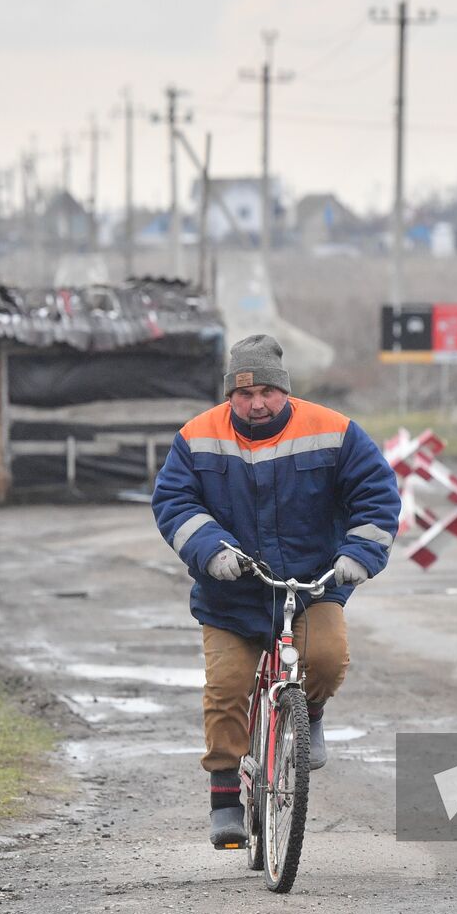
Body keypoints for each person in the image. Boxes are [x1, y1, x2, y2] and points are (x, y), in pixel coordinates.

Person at [151, 334, 400, 849]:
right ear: (229, 396)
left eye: (266, 391)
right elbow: (173, 501)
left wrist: (358, 555)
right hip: (231, 595)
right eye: (244, 394)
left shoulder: (334, 431)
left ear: (284, 390)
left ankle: (308, 715)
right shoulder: (197, 437)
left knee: (327, 658)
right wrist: (211, 549)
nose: (256, 403)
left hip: (312, 586)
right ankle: (225, 794)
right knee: (227, 687)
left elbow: (376, 495)